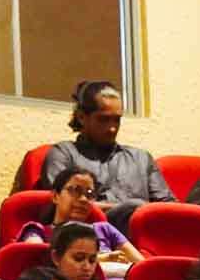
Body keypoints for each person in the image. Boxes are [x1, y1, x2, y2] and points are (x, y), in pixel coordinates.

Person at [38, 78, 166, 221]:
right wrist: (132, 208)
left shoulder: (141, 158)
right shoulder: (64, 154)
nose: (112, 128)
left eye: (117, 120)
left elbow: (169, 207)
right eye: (104, 119)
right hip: (85, 231)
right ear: (81, 117)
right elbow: (62, 204)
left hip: (141, 231)